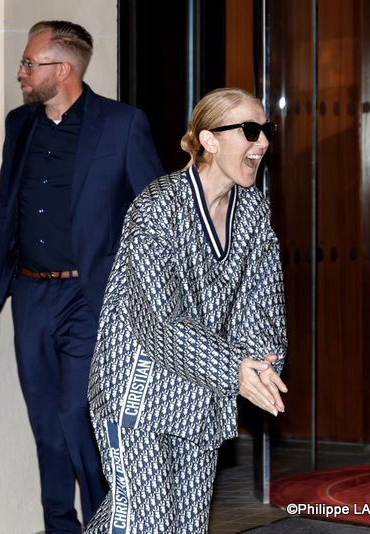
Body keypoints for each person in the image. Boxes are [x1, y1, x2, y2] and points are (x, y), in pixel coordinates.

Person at [0, 20, 164, 533]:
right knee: (46, 427)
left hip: (90, 297)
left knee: (77, 418)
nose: (20, 72)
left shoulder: (123, 124)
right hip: (30, 293)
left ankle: (108, 522)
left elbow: (153, 217)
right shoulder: (20, 125)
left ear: (61, 70)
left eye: (28, 63)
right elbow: (8, 204)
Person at [85, 88, 288, 533]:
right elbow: (159, 319)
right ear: (210, 140)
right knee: (143, 522)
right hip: (138, 394)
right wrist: (236, 369)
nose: (264, 143)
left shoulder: (252, 209)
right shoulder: (158, 206)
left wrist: (261, 363)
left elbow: (262, 302)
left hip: (201, 397)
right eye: (250, 131)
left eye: (266, 131)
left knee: (184, 528)